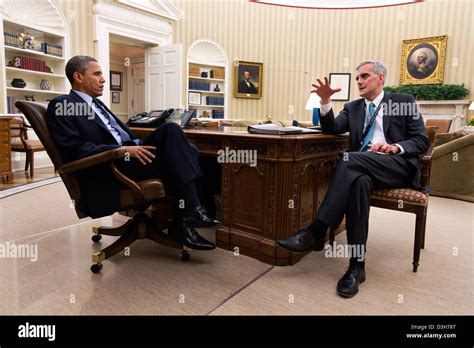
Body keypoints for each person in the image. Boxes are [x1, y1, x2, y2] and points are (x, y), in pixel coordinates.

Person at [277, 60, 429, 298]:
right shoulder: (353, 107)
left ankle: (316, 231)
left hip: (396, 166)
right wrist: (325, 101)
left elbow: (421, 141)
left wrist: (394, 147)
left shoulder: (403, 102)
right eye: (357, 77)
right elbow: (333, 128)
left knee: (349, 160)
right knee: (358, 183)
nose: (359, 80)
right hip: (363, 168)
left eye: (364, 76)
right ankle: (357, 266)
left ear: (380, 79)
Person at [47, 55, 219, 250]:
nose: (103, 79)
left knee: (190, 151)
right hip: (110, 169)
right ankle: (192, 212)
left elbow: (120, 134)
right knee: (172, 132)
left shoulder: (98, 104)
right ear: (78, 76)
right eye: (97, 74)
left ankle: (187, 218)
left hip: (128, 159)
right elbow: (73, 149)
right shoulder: (63, 104)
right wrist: (121, 150)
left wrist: (134, 144)